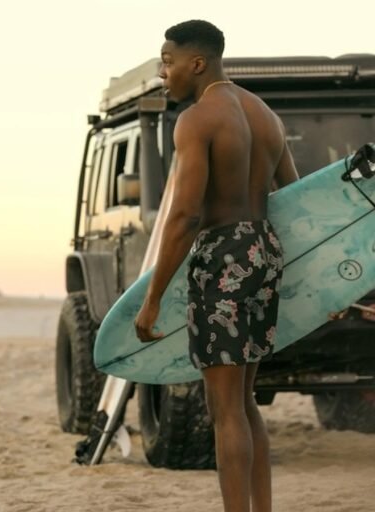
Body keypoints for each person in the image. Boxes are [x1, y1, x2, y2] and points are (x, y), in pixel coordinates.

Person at [134, 20, 299, 512]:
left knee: (224, 409)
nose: (164, 73)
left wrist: (153, 298)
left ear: (197, 63)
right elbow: (293, 199)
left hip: (223, 256)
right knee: (244, 404)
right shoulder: (265, 114)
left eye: (168, 61)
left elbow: (184, 215)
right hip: (263, 251)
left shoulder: (198, 119)